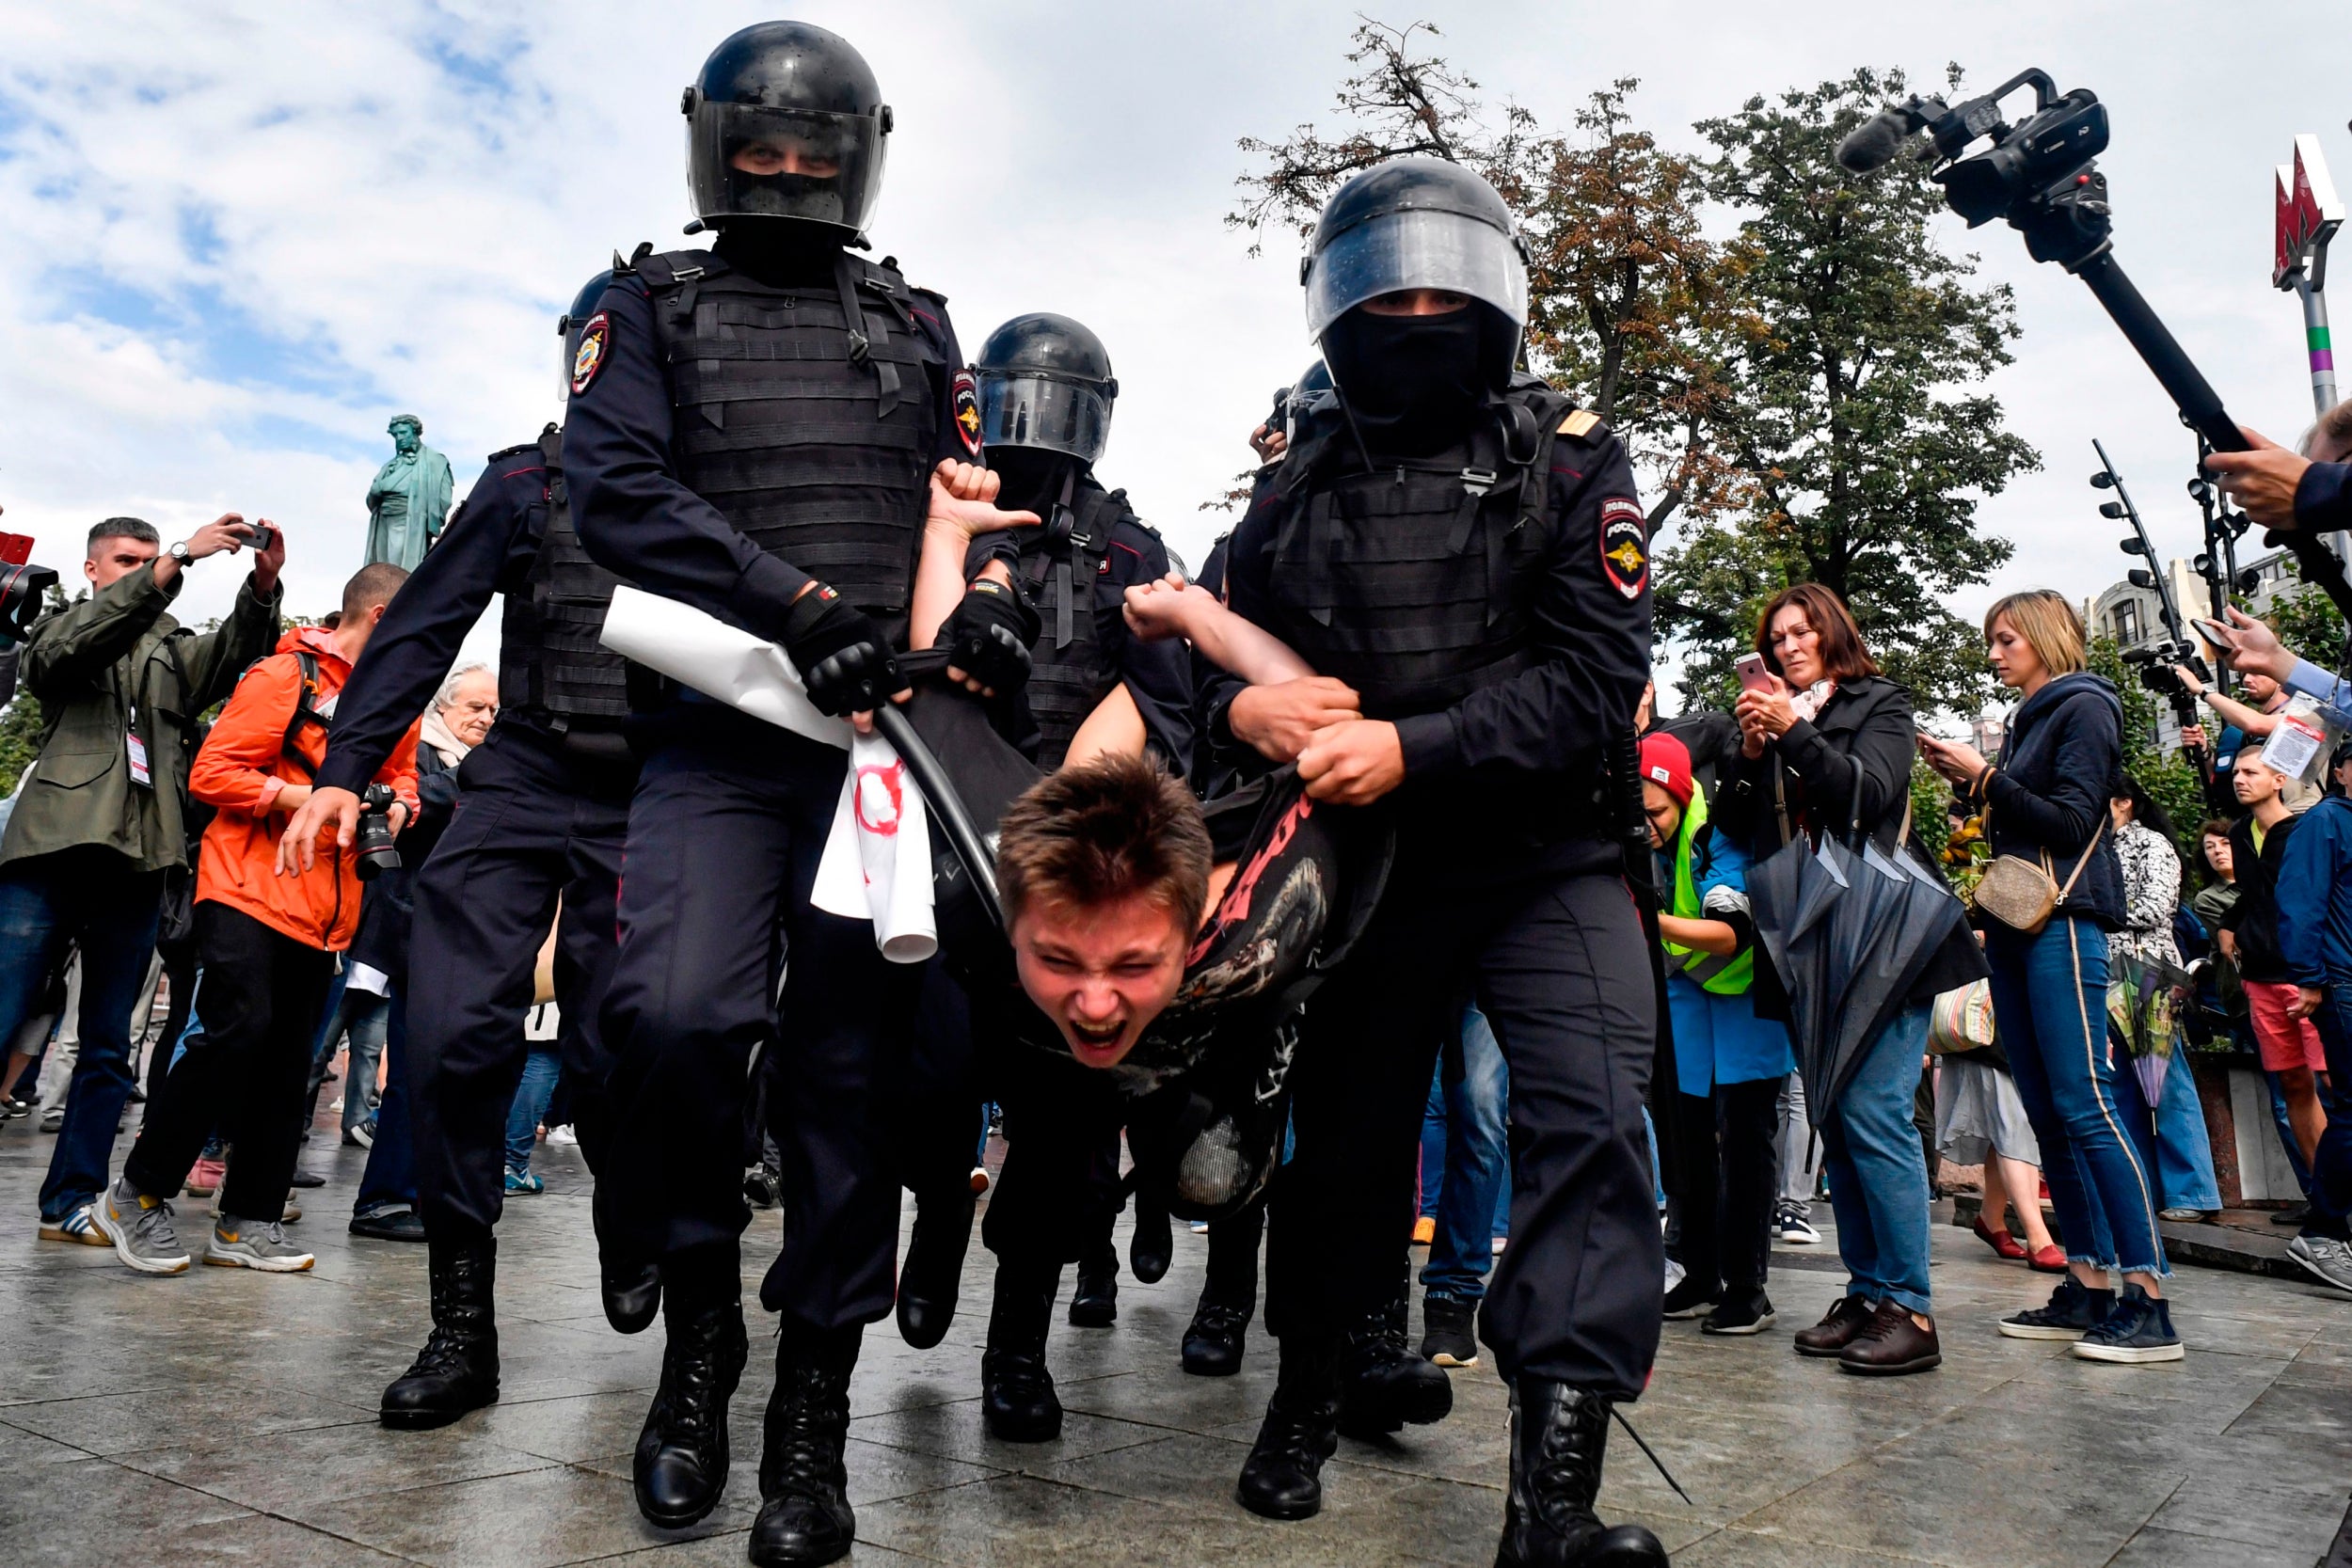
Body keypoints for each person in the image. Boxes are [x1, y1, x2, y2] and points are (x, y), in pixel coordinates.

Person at [560, 24, 1041, 1564]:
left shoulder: (915, 321)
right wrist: (797, 600)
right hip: (715, 736)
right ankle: (699, 1340)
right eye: (753, 147)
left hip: (876, 758)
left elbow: (977, 505)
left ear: (858, 155)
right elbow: (616, 493)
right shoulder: (642, 305)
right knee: (672, 1015)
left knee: (856, 1094)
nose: (779, 171)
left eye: (806, 152)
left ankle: (808, 1417)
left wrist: (989, 608)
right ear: (710, 144)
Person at [1203, 156, 1664, 1564]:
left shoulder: (1571, 454)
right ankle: (1304, 1389)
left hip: (1547, 853)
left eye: (1439, 287)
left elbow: (1597, 676)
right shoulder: (1297, 479)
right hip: (1370, 871)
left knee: (1589, 1116)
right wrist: (1243, 705)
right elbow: (1198, 644)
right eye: (1384, 290)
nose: (1415, 311)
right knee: (1343, 1150)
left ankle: (1554, 1497)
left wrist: (1422, 744)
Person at [277, 282, 660, 1429]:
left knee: (626, 1035)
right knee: (445, 1035)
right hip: (527, 772)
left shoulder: (707, 485)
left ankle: (628, 1208)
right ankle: (461, 1326)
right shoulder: (523, 482)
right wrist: (344, 768)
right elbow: (421, 626)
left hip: (656, 788)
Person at [955, 310, 1200, 1439]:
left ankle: (1015, 1346)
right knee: (914, 1084)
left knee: (1060, 1127)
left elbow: (1170, 695)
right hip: (947, 839)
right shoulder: (950, 507)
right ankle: (925, 1245)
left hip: (1072, 862)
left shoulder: (1129, 543)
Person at [97, 565, 417, 1276]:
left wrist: (397, 804)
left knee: (287, 1061)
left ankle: (249, 1220)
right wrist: (307, 797)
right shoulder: (284, 674)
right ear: (383, 612)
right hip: (245, 885)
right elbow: (213, 773)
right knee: (237, 1028)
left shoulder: (399, 699)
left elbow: (406, 781)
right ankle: (137, 1192)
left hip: (327, 907)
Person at [1920, 590, 2181, 1365]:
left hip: (2064, 925)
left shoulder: (2084, 705)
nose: (1994, 653)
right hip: (2015, 925)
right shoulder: (2031, 718)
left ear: (2042, 636)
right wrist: (1976, 781)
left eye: (2006, 639)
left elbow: (2071, 820)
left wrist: (1985, 777)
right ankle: (2088, 1282)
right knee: (2046, 1107)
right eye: (1990, 640)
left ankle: (2150, 1297)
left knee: (2085, 1102)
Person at [8, 515, 283, 1247]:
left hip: (140, 859)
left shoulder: (167, 645)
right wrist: (176, 560)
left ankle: (70, 1200)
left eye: (148, 558)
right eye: (126, 560)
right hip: (51, 846)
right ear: (94, 568)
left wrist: (260, 587)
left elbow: (240, 662)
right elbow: (57, 658)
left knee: (106, 1046)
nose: (142, 569)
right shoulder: (64, 623)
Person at [1720, 582, 1969, 1376]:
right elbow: (1736, 826)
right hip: (1808, 940)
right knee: (1836, 1115)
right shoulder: (1771, 722)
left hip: (1885, 938)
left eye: (1802, 632)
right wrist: (1754, 755)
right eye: (1776, 637)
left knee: (1875, 1114)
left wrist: (1793, 734)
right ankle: (1868, 1292)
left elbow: (1868, 795)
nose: (1789, 645)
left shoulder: (1878, 701)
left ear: (1832, 634)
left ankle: (1911, 1307)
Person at [1641, 730, 1792, 1338]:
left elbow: (1731, 933)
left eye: (1655, 812)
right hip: (1690, 1002)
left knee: (1748, 1142)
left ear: (1681, 796)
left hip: (1747, 998)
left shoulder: (1717, 835)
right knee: (1687, 1143)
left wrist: (1653, 923)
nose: (1646, 823)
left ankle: (1748, 1288)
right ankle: (1702, 1275)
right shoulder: (1645, 839)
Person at [2106, 779, 2221, 1222]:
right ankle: (2143, 1188)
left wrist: (2094, 908)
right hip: (2109, 970)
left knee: (2166, 1082)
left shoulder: (2152, 844)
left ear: (2124, 803)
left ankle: (2192, 1192)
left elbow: (2156, 907)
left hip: (2148, 970)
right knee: (2122, 1087)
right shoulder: (2099, 847)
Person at [2220, 755, 2328, 1182]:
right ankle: (2323, 1192)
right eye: (2236, 775)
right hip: (2261, 975)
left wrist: (2316, 972)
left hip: (2308, 974)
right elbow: (2253, 893)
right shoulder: (2238, 833)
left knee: (2333, 1081)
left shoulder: (2304, 830)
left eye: (2251, 773)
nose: (2240, 780)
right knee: (2294, 1084)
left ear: (2279, 779)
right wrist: (2230, 926)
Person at [2276, 742, 2352, 1292]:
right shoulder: (2324, 821)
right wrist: (2309, 978)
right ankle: (2323, 1231)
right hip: (2342, 980)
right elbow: (2299, 903)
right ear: (2342, 771)